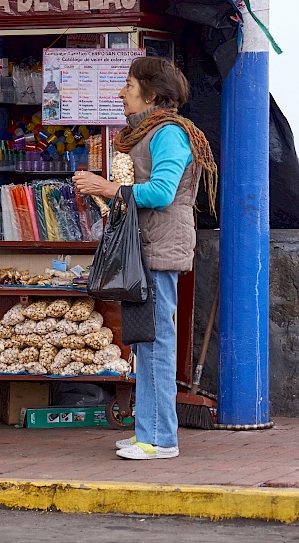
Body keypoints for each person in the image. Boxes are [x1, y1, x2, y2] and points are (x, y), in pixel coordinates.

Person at [73, 56, 217, 460]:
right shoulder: (145, 133)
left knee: (155, 343)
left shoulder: (168, 133)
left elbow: (162, 192)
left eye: (129, 85)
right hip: (145, 249)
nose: (122, 93)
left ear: (151, 94)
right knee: (145, 342)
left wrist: (108, 188)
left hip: (157, 251)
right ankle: (146, 432)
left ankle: (160, 440)